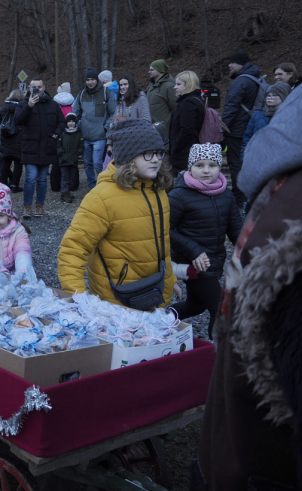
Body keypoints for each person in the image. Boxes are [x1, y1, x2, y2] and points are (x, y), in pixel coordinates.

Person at [192, 87, 302, 491]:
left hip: (218, 269)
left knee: (209, 314)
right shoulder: (291, 219)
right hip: (254, 468)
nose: (206, 173)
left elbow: (234, 229)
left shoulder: (236, 196)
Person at [58, 118, 179, 308]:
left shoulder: (159, 191)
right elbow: (72, 250)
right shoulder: (101, 198)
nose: (155, 159)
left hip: (156, 292)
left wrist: (171, 281)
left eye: (158, 152)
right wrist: (79, 299)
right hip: (118, 300)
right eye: (147, 153)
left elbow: (162, 244)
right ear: (128, 157)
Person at [168, 144, 241, 337]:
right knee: (220, 309)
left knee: (195, 306)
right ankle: (215, 355)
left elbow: (235, 228)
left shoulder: (226, 193)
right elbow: (163, 230)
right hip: (193, 263)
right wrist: (194, 250)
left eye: (212, 165)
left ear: (219, 166)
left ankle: (162, 318)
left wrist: (247, 252)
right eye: (200, 165)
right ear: (190, 167)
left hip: (215, 260)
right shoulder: (178, 195)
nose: (206, 170)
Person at [17, 77, 67, 217]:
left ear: (44, 88)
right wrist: (29, 106)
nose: (37, 89)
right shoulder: (23, 103)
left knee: (42, 179)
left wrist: (56, 134)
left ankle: (40, 205)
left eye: (40, 86)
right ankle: (27, 206)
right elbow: (17, 121)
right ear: (29, 88)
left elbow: (61, 122)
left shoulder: (52, 104)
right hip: (30, 147)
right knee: (30, 177)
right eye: (34, 87)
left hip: (47, 147)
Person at [222, 50, 262, 207]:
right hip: (251, 128)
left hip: (237, 131)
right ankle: (250, 194)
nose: (229, 65)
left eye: (232, 62)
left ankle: (239, 199)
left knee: (236, 164)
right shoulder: (256, 77)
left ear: (241, 63)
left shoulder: (240, 81)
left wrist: (223, 128)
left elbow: (231, 106)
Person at [73, 68, 116, 189]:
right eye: (87, 80)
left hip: (100, 136)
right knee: (87, 164)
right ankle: (92, 186)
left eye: (92, 79)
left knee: (97, 162)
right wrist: (75, 125)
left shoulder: (106, 93)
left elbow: (113, 112)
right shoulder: (81, 94)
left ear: (97, 80)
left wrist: (105, 127)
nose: (90, 82)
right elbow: (75, 112)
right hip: (85, 136)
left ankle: (101, 185)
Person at [241, 81, 292, 162]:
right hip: (259, 158)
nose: (269, 98)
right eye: (268, 95)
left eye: (274, 95)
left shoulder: (290, 115)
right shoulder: (257, 115)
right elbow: (248, 137)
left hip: (282, 160)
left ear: (283, 96)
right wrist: (244, 157)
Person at [169, 71, 205, 175]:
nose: (175, 87)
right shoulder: (195, 99)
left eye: (179, 84)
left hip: (185, 152)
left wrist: (176, 149)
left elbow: (186, 129)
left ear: (188, 84)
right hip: (188, 149)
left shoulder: (189, 103)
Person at [0, 89, 24, 192]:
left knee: (6, 162)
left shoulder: (3, 108)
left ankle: (3, 185)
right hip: (19, 139)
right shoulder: (22, 108)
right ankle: (15, 185)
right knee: (18, 163)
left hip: (6, 139)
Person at [147, 59, 177, 140]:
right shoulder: (151, 85)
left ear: (160, 70)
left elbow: (175, 107)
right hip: (151, 125)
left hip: (163, 127)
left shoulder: (169, 86)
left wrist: (168, 121)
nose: (149, 72)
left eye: (152, 70)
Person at [56, 113, 83, 203]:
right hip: (63, 159)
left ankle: (69, 192)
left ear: (75, 122)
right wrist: (62, 154)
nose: (71, 123)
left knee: (72, 177)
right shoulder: (63, 133)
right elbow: (58, 145)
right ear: (66, 123)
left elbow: (81, 145)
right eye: (69, 121)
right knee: (64, 177)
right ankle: (64, 193)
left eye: (72, 121)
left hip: (73, 160)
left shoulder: (78, 133)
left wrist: (77, 153)